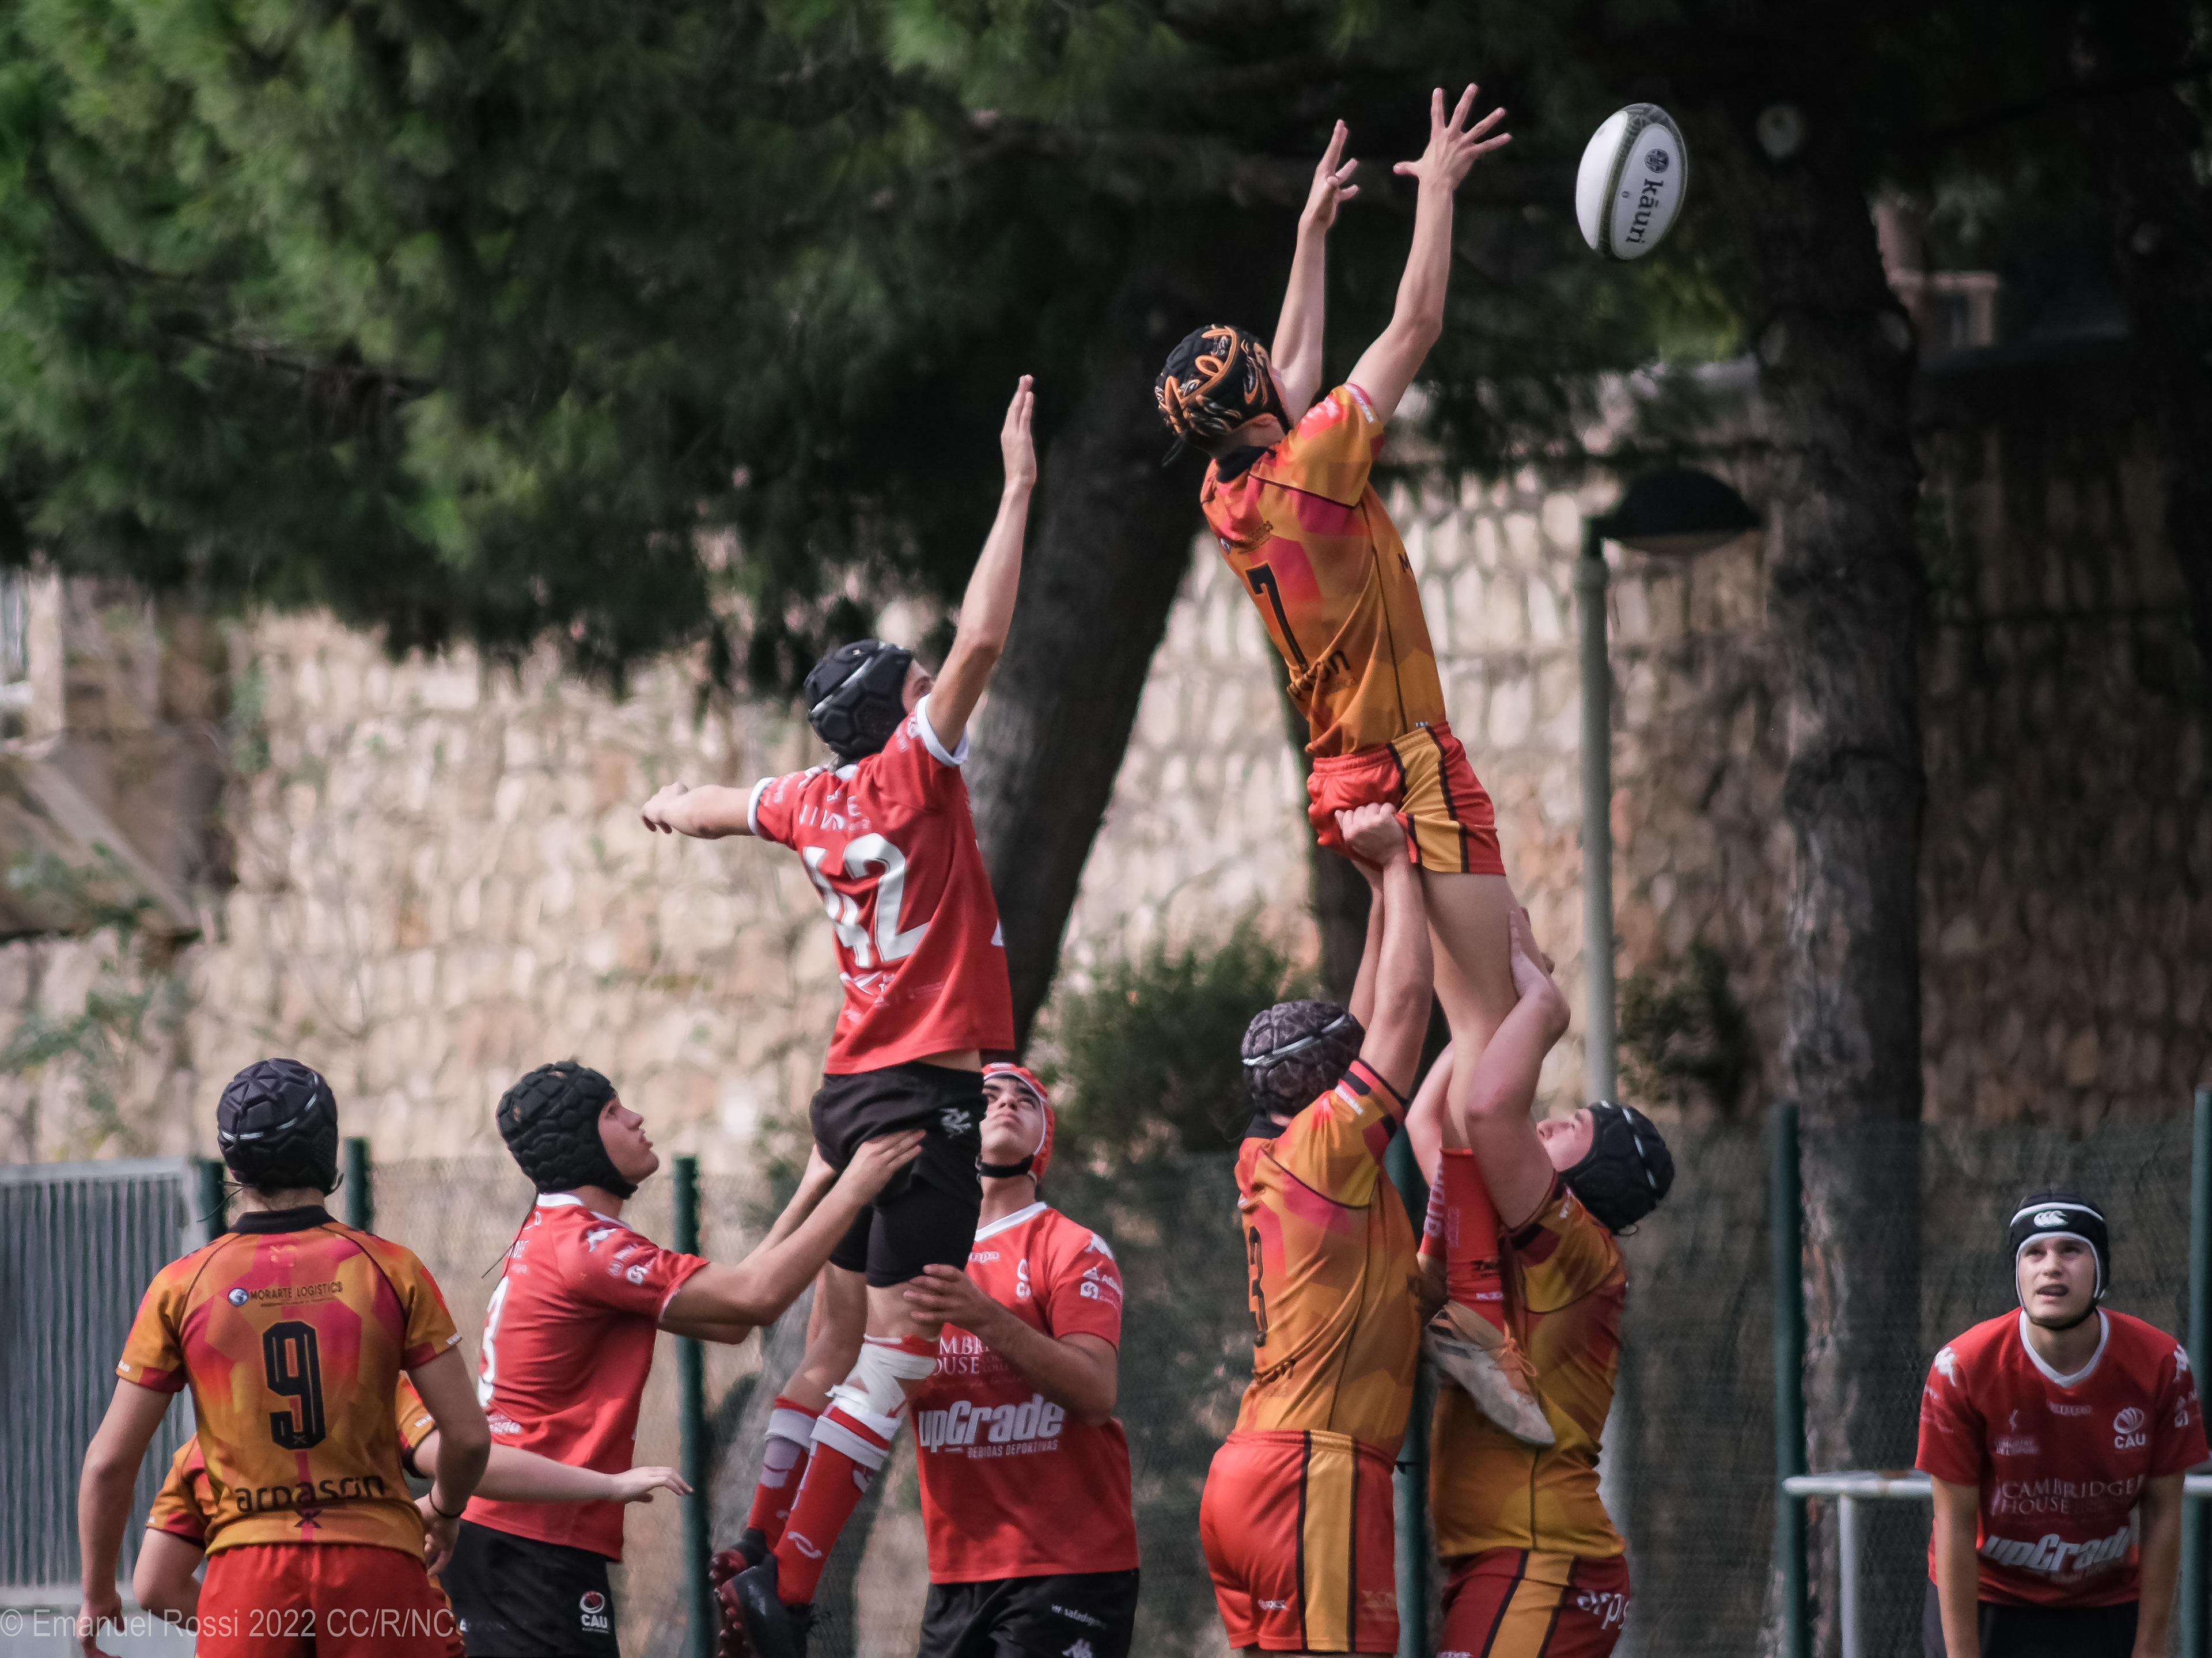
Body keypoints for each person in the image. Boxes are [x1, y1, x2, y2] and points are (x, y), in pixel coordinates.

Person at [1152, 89, 1543, 1436]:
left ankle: (1439, 1271)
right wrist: (1435, 192)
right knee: (1510, 1027)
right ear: (1265, 402)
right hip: (1406, 768)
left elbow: (1292, 376)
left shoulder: (1231, 492)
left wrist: (1311, 235)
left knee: (1431, 1049)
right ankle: (1464, 1294)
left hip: (1354, 771)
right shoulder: (1314, 468)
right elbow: (1413, 327)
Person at [639, 377, 1037, 1658]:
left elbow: (713, 806)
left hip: (853, 1083)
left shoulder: (810, 799)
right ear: (900, 715)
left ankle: (754, 1540)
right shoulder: (917, 770)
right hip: (926, 1091)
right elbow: (982, 639)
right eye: (920, 685)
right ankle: (792, 1584)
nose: (937, 687)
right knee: (905, 1347)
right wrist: (1018, 486)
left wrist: (664, 804)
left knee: (832, 1335)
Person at [444, 1060, 921, 1658]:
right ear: (581, 1141)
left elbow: (732, 1319)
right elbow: (756, 1296)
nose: (636, 1118)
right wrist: (856, 1186)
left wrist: (814, 1186)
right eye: (613, 1111)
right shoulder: (588, 1248)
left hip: (520, 1533)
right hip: (528, 1540)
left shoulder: (568, 1235)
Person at [77, 1059, 491, 1658]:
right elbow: (470, 1438)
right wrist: (446, 1510)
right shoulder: (390, 1268)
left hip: (247, 1581)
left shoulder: (181, 1285)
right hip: (377, 1572)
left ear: (234, 1164)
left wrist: (97, 1593)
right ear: (328, 1149)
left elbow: (108, 1463)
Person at [1199, 802, 1434, 1658]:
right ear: (1332, 1088)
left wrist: (1378, 898)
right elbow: (1404, 1007)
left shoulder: (1269, 1151)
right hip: (1311, 1471)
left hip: (1250, 1473)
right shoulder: (1326, 1152)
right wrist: (1402, 866)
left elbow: (1365, 1024)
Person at [1412, 909, 1673, 1658]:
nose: (1547, 1123)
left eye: (1568, 1127)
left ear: (1589, 1178)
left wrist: (1538, 1008)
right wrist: (1481, 1020)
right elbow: (1432, 1122)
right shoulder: (1506, 1231)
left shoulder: (1581, 1249)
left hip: (1546, 1559)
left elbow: (1488, 1111)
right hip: (1511, 1555)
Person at [891, 1061, 1140, 1658]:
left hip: (1068, 1564)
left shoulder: (1073, 1246)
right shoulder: (909, 1253)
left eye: (1024, 1099)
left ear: (1042, 1141)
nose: (1005, 1103)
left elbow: (1095, 1393)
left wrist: (983, 1315)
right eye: (988, 1096)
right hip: (956, 1570)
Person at [132, 1375, 686, 1630]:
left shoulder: (202, 1449)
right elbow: (467, 1452)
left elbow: (155, 1587)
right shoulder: (376, 1389)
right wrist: (605, 1484)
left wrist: (258, 1630)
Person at [1919, 1190, 2207, 1658]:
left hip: (2103, 1599)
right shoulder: (1962, 1367)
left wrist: (2151, 1642)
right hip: (1989, 1596)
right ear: (2017, 1272)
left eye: (2071, 1249)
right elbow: (1953, 1520)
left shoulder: (2162, 1363)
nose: (2051, 1266)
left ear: (2101, 1269)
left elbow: (2163, 1510)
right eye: (2034, 1252)